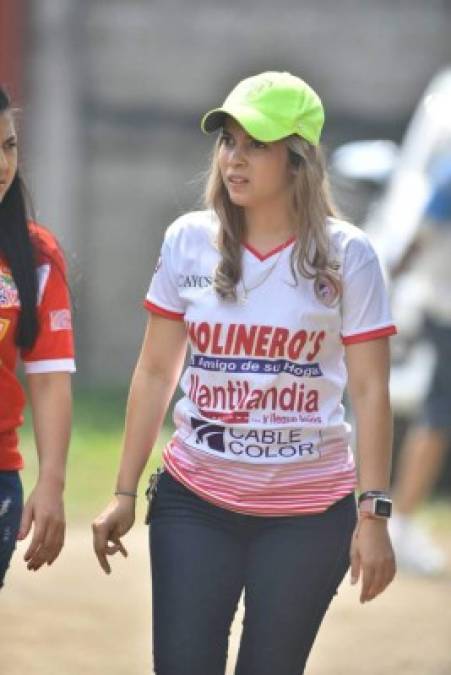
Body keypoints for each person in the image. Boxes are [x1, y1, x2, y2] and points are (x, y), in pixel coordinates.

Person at [92, 71, 397, 675]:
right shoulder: (188, 241)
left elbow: (370, 390)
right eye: (229, 141)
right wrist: (124, 492)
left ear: (299, 160)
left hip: (310, 515)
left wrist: (374, 515)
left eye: (257, 144)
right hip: (195, 500)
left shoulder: (348, 255)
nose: (235, 159)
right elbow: (156, 371)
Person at [0, 86, 75, 589]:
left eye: (8, 145)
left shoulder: (35, 255)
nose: (2, 162)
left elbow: (49, 380)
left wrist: (51, 484)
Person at [389, 154, 451, 575]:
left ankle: (402, 524)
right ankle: (402, 524)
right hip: (445, 310)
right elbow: (420, 235)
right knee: (439, 414)